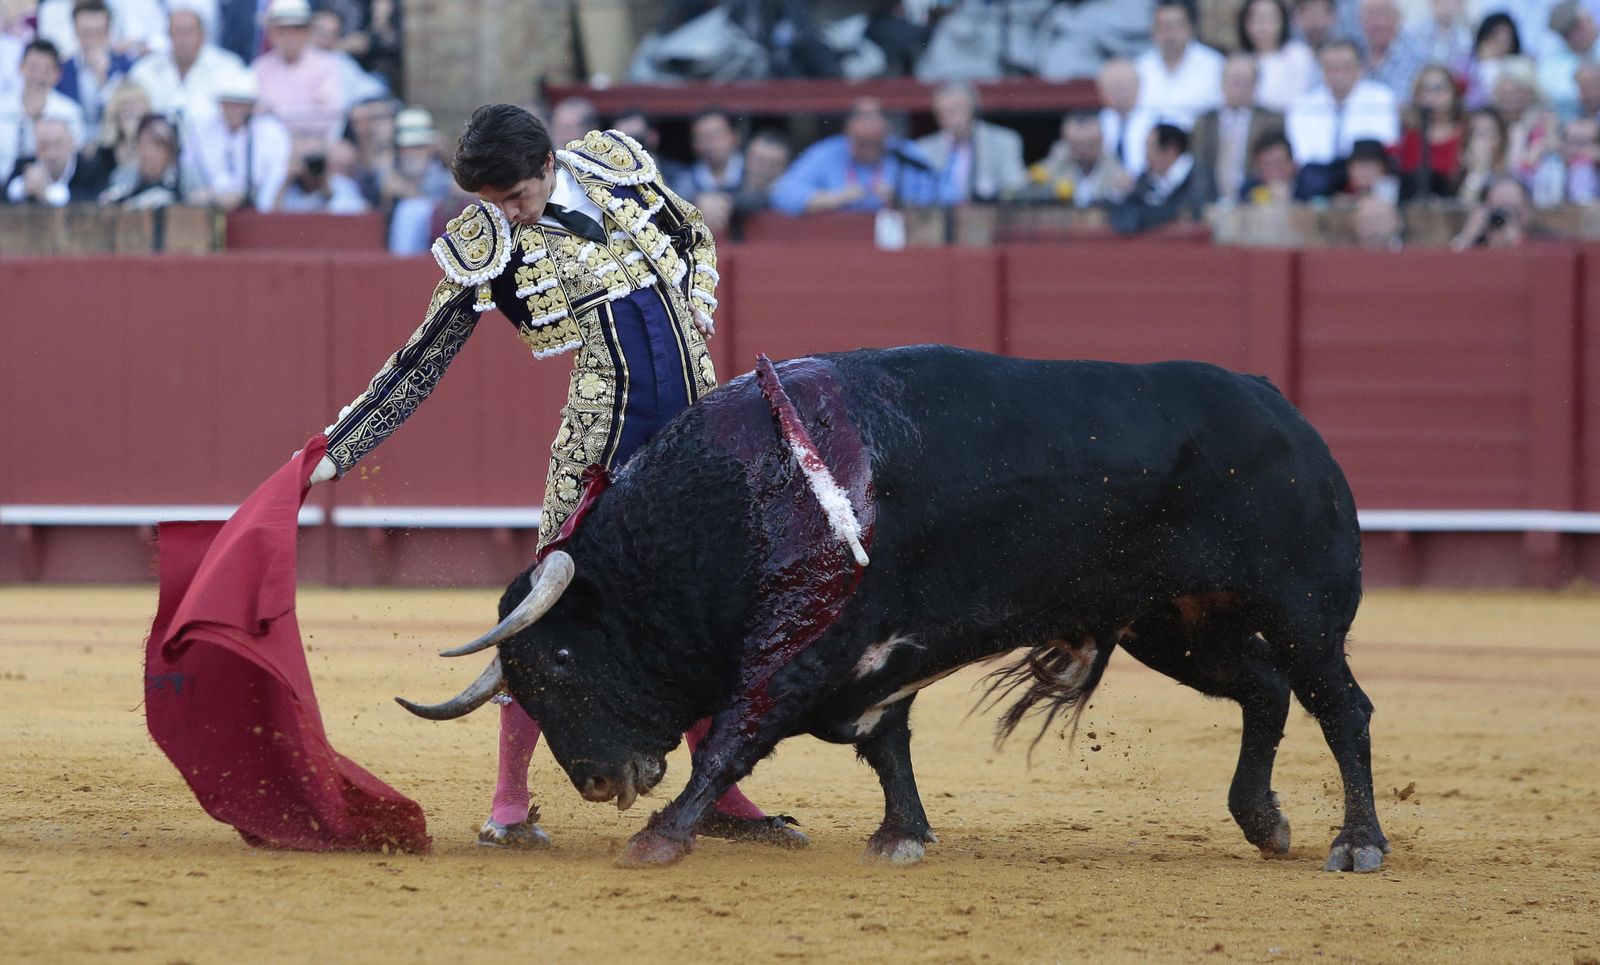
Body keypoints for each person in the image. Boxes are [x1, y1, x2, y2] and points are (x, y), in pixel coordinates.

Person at [303, 104, 803, 849]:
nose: (505, 215)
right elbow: (424, 355)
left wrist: (695, 309)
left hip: (695, 432)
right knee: (549, 609)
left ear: (546, 165)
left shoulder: (616, 164)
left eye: (515, 197)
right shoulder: (489, 241)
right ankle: (508, 801)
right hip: (602, 443)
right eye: (490, 204)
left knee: (706, 603)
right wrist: (335, 448)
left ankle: (718, 787)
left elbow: (691, 229)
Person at [769, 97, 952, 214]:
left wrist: (900, 201)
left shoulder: (907, 155)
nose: (868, 149)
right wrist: (834, 199)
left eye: (874, 142)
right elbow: (783, 193)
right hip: (838, 246)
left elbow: (948, 195)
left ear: (886, 133)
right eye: (861, 143)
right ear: (847, 133)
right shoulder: (827, 153)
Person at [1286, 39, 1400, 196]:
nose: (1338, 75)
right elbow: (1303, 154)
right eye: (1331, 68)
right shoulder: (1303, 105)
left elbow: (1382, 143)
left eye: (1346, 68)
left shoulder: (1381, 98)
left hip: (1366, 178)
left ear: (1360, 68)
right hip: (1318, 179)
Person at [184, 67, 291, 211]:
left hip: (255, 212)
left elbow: (275, 179)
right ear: (220, 104)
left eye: (241, 104)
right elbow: (190, 173)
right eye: (230, 103)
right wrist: (212, 195)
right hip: (207, 210)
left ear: (252, 106)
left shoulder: (272, 133)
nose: (236, 110)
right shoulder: (202, 131)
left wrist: (241, 195)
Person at [127, 1, 245, 127]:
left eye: (188, 31)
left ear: (202, 34)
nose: (182, 39)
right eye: (176, 31)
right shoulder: (144, 70)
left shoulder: (229, 67)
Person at [1190, 53, 1285, 203]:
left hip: (1256, 201)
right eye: (1234, 81)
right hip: (1210, 202)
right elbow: (1197, 165)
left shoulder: (1272, 121)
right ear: (1222, 83)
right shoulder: (1204, 122)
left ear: (1255, 85)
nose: (1239, 88)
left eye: (1246, 82)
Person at [913, 81, 1027, 202]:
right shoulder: (924, 148)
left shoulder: (1004, 141)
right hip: (940, 217)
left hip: (990, 216)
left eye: (954, 110)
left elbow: (1015, 188)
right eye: (941, 113)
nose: (949, 119)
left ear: (972, 108)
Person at [0, 40, 88, 184]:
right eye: (33, 68)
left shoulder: (69, 113)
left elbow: (73, 160)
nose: (38, 77)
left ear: (57, 74)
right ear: (21, 67)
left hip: (48, 192)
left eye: (46, 70)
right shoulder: (1, 107)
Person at [252, 0, 342, 140]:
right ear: (270, 34)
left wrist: (275, 112)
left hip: (310, 145)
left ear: (307, 32)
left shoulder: (325, 65)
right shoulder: (260, 68)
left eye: (296, 30)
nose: (289, 38)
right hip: (269, 144)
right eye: (282, 31)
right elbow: (254, 116)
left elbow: (327, 117)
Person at [1133, 1, 1224, 130]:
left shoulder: (1215, 66)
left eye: (1177, 26)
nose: (1170, 34)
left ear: (1191, 28)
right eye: (1164, 26)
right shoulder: (1139, 67)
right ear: (1153, 30)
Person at [1107, 122, 1206, 234]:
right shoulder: (1144, 180)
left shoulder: (1200, 180)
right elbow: (1125, 221)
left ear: (1170, 150)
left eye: (1150, 148)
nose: (1146, 156)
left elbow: (1187, 212)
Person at [384, 106, 455, 253]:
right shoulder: (388, 169)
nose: (411, 152)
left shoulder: (440, 172)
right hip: (394, 246)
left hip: (441, 243)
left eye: (419, 146)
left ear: (431, 148)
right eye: (406, 147)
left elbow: (458, 192)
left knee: (414, 209)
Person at [55, 0, 134, 131]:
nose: (91, 40)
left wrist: (103, 80)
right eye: (86, 33)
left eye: (98, 33)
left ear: (108, 32)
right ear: (75, 31)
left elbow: (126, 114)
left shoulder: (125, 66)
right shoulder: (62, 70)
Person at [1025, 110, 1129, 206]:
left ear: (1101, 142)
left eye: (1090, 144)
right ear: (1066, 142)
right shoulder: (1052, 168)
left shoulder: (1116, 170)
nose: (1083, 151)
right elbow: (1022, 190)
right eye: (1076, 145)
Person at [1395, 63, 1465, 199]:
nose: (1431, 97)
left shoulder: (1466, 133)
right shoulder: (1406, 134)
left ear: (1454, 93)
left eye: (1439, 89)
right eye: (1425, 90)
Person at [1239, 0, 1318, 111]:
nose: (1262, 25)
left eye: (1269, 18)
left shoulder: (1298, 55)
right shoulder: (1239, 61)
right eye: (1255, 18)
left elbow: (1300, 100)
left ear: (1283, 21)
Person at [4, 115, 101, 203]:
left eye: (58, 145)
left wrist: (47, 193)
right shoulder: (24, 165)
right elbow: (5, 193)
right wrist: (24, 186)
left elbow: (94, 199)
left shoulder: (90, 167)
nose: (51, 153)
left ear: (72, 143)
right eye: (44, 146)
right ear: (35, 147)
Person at [97, 110, 179, 207]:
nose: (149, 153)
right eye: (144, 144)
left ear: (170, 151)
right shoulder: (122, 178)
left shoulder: (182, 183)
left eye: (158, 145)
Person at [1538, 1, 1600, 120]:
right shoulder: (1553, 63)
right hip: (1572, 122)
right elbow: (1557, 95)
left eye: (1578, 28)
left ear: (1589, 20)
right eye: (1567, 34)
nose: (1575, 36)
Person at [1356, 0, 1422, 101]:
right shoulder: (1353, 52)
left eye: (1385, 15)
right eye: (1371, 16)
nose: (1378, 23)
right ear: (1360, 20)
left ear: (1398, 18)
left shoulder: (1417, 55)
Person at [1098, 57, 1154, 175]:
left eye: (1125, 87)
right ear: (1102, 91)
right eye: (1114, 87)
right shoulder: (1096, 124)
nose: (1120, 94)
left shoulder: (1156, 123)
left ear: (1139, 87)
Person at [1451, 173, 1537, 248]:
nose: (1502, 218)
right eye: (1498, 209)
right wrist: (1465, 238)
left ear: (1526, 212)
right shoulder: (1476, 242)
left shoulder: (1540, 241)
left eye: (1512, 209)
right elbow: (1451, 261)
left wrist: (1515, 243)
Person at [1463, 13, 1521, 109]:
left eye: (1504, 40)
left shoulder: (1521, 67)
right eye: (1494, 38)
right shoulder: (1465, 64)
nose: (1498, 45)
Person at [1457, 106, 1511, 202]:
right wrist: (1477, 172)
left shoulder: (1511, 177)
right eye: (1477, 133)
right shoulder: (1456, 178)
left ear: (1501, 138)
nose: (1482, 141)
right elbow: (1463, 208)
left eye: (1488, 132)